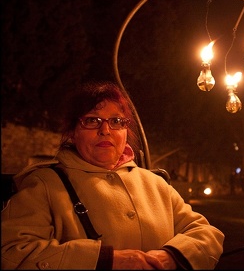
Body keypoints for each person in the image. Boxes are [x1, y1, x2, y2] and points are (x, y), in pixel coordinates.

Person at [1, 81, 225, 270]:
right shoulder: (44, 184)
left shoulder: (155, 184)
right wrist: (108, 260)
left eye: (116, 121)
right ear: (71, 131)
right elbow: (11, 252)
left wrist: (171, 256)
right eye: (92, 120)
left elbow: (206, 233)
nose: (105, 130)